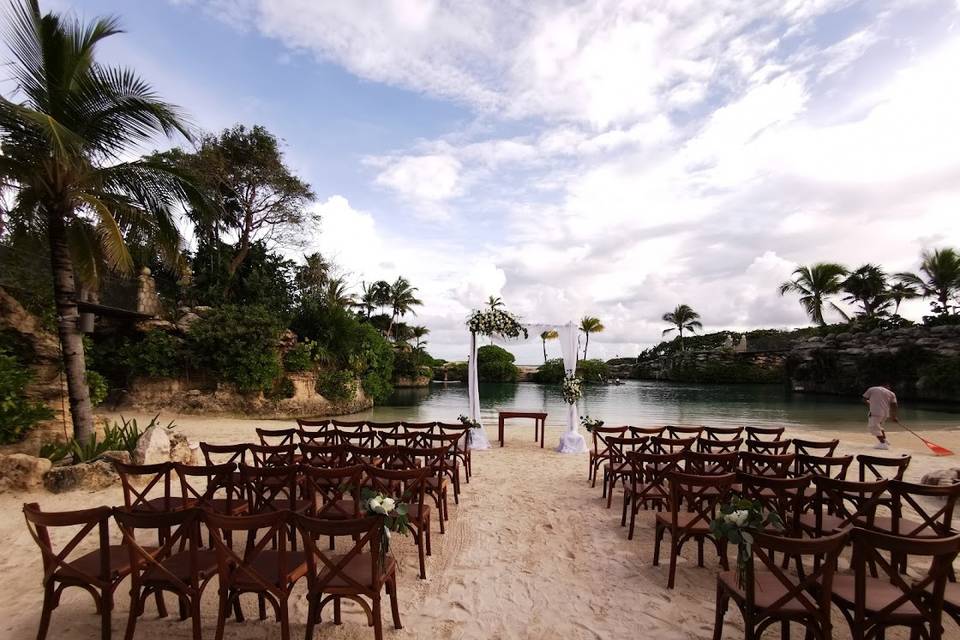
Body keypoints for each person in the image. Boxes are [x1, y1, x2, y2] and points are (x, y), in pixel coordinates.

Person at [862, 383, 899, 450]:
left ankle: (882, 443)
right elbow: (895, 405)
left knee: (873, 428)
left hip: (875, 412)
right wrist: (894, 416)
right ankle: (884, 440)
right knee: (879, 427)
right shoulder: (892, 393)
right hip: (885, 414)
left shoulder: (872, 389)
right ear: (886, 386)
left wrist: (870, 404)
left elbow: (864, 399)